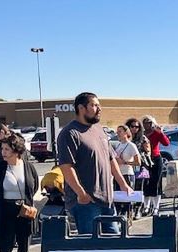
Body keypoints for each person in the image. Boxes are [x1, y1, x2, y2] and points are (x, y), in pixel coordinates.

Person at [57, 92, 133, 235]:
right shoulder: (70, 133)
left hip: (107, 200)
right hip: (86, 202)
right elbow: (66, 167)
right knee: (91, 247)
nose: (99, 109)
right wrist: (81, 193)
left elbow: (111, 160)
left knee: (114, 243)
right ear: (81, 108)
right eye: (94, 105)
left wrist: (123, 184)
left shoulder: (100, 130)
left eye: (99, 105)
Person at [142, 115, 170, 216]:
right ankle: (146, 206)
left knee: (156, 182)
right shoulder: (142, 134)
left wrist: (161, 133)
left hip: (156, 159)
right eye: (145, 123)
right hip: (145, 160)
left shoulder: (156, 133)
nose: (147, 125)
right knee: (145, 183)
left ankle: (156, 207)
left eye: (149, 122)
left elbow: (166, 143)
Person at [112, 125, 141, 222]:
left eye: (120, 131)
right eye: (117, 132)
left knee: (127, 199)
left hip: (127, 174)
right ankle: (119, 219)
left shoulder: (131, 146)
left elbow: (138, 162)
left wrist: (125, 162)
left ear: (126, 133)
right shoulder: (119, 145)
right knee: (118, 199)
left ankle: (128, 220)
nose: (118, 134)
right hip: (118, 174)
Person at [126, 118, 149, 218]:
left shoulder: (142, 138)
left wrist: (143, 155)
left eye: (137, 127)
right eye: (132, 126)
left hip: (140, 166)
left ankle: (138, 209)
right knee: (129, 188)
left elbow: (148, 151)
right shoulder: (125, 138)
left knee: (139, 188)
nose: (134, 129)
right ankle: (128, 210)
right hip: (127, 166)